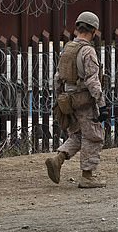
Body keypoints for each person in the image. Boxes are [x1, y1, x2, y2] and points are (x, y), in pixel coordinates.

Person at [46, 11, 109, 188]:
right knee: (94, 136)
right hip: (84, 101)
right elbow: (92, 80)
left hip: (68, 99)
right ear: (94, 31)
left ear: (77, 27)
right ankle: (87, 176)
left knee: (78, 135)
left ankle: (58, 159)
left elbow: (58, 77)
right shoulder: (87, 51)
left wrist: (60, 99)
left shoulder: (68, 49)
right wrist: (101, 104)